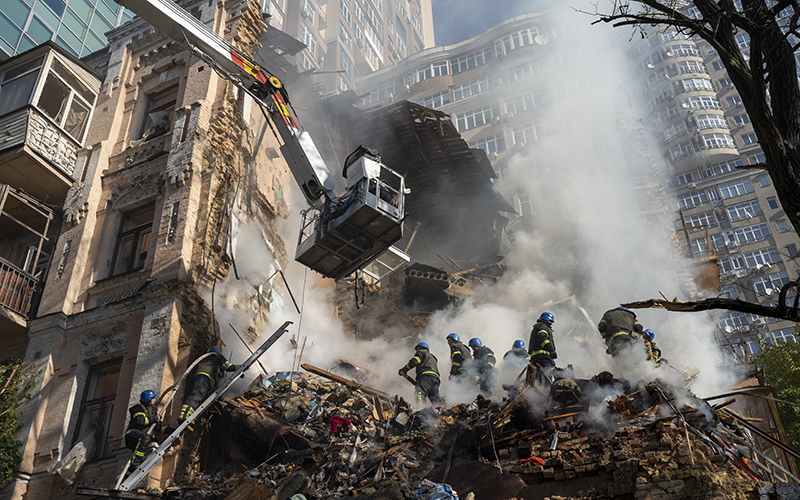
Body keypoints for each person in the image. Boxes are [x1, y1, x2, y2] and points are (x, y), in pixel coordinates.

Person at [179, 346, 239, 423]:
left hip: (202, 379)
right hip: (204, 378)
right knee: (196, 396)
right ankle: (184, 416)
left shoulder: (205, 358)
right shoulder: (216, 355)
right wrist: (240, 367)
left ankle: (190, 418)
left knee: (199, 400)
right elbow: (228, 367)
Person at [125, 390, 174, 477]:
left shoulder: (153, 412)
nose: (155, 400)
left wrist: (172, 431)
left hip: (141, 439)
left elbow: (160, 428)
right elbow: (140, 421)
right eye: (153, 398)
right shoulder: (138, 408)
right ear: (148, 398)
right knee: (145, 438)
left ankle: (127, 475)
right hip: (132, 435)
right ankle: (135, 463)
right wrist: (154, 418)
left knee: (143, 456)